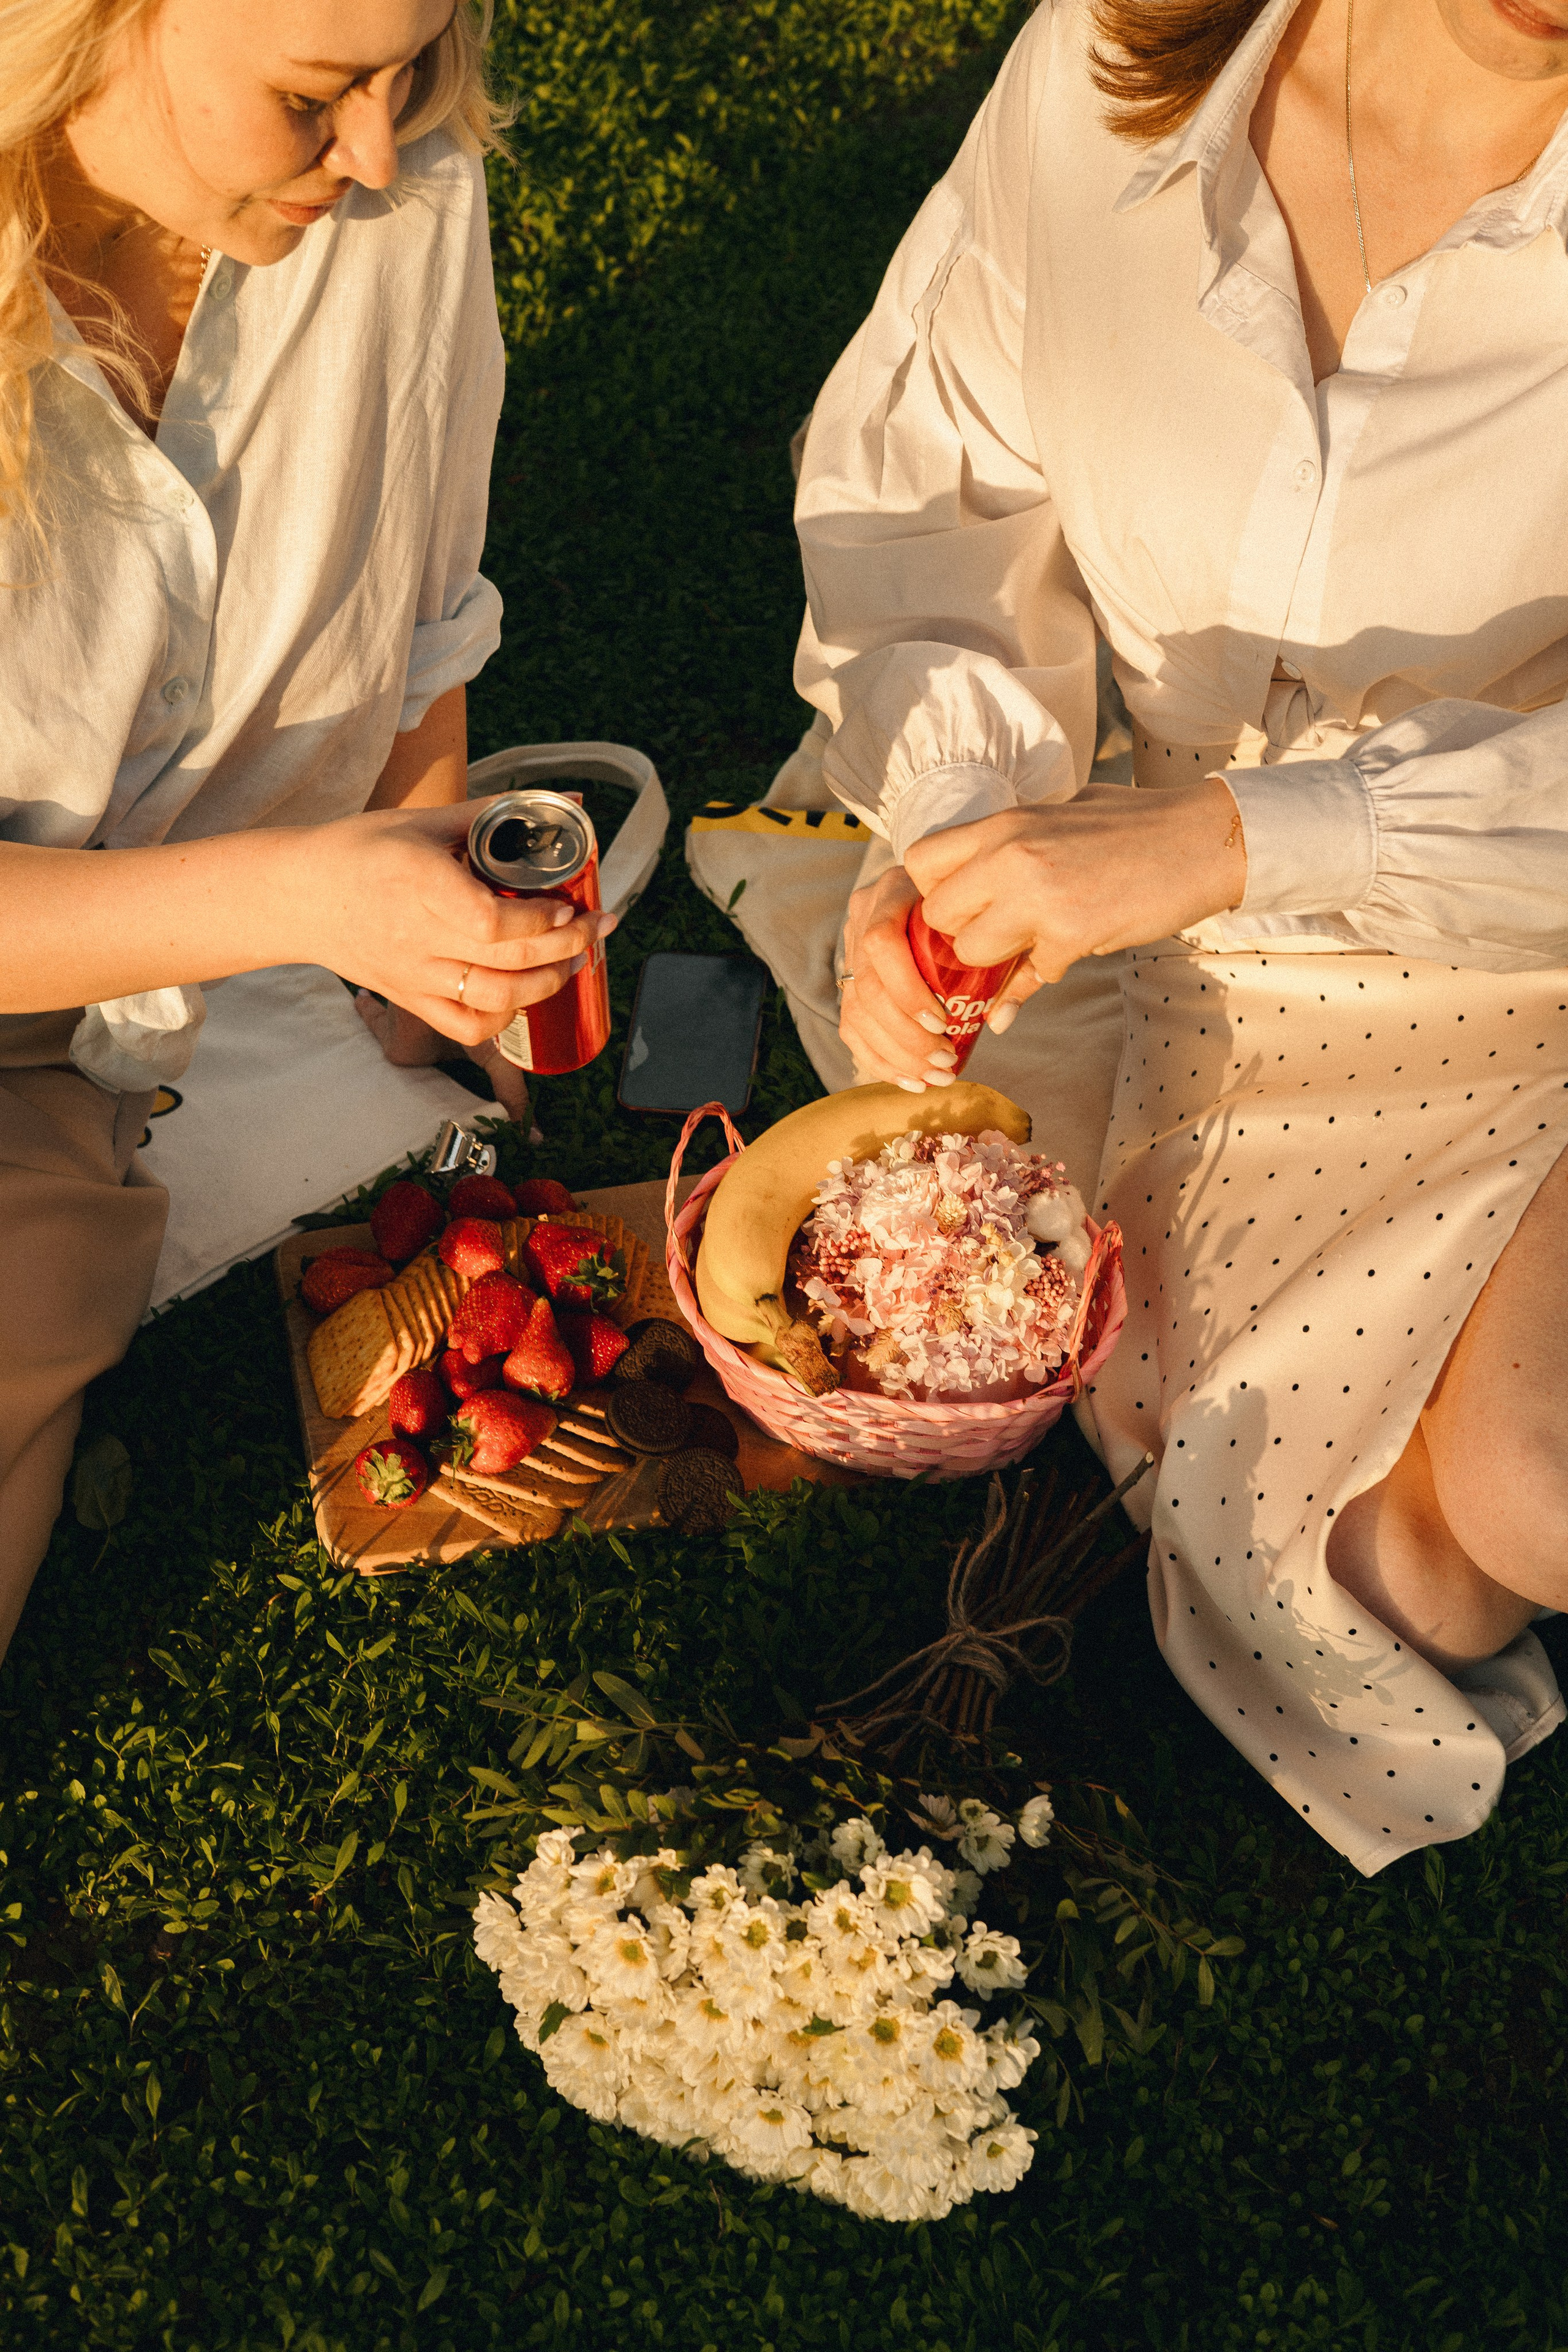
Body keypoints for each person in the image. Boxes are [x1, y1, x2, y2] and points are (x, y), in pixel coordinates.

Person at [790, 0, 1568, 1874]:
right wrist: (968, 826)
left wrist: (1229, 838)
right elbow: (939, 496)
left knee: (1534, 1503)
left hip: (1520, 901)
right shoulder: (1117, 57)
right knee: (1379, 1579)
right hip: (1224, 949)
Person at [0, 0, 615, 1654]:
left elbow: (421, 608)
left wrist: (425, 945)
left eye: (408, 67)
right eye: (311, 93)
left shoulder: (404, 179)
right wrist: (291, 895)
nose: (372, 148)